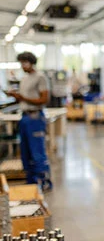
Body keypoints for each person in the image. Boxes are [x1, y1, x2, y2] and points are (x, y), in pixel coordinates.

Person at [6, 52, 52, 190]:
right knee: (25, 153)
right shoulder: (25, 78)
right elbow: (25, 97)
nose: (22, 65)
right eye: (21, 63)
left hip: (35, 117)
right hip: (25, 117)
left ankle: (44, 182)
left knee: (37, 152)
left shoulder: (40, 77)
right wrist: (16, 96)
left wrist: (23, 98)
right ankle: (31, 183)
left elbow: (44, 99)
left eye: (24, 62)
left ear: (31, 62)